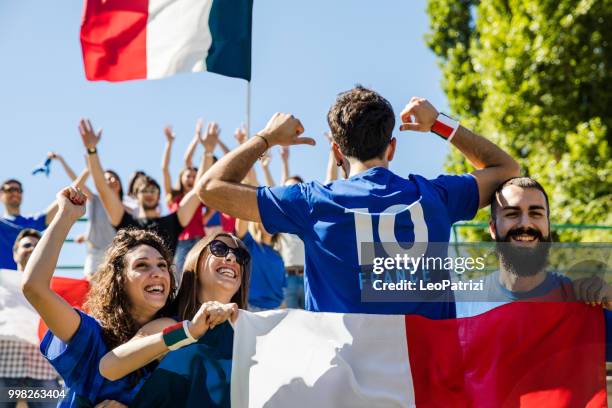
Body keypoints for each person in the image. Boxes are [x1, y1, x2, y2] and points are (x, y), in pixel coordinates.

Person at [197, 86, 520, 316]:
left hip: (343, 379)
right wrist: (440, 123)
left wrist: (266, 137)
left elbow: (210, 187)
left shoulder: (313, 202)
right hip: (425, 378)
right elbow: (506, 169)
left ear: (337, 152)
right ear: (391, 147)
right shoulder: (435, 196)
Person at [21, 186, 177, 407]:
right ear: (119, 280)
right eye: (142, 265)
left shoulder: (179, 339)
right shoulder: (91, 337)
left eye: (163, 265)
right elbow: (34, 287)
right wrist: (66, 216)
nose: (158, 273)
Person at [97, 232, 251, 407]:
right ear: (196, 260)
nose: (232, 257)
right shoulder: (172, 326)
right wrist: (189, 331)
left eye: (241, 256)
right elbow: (110, 366)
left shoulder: (251, 334)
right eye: (219, 249)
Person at [78, 119, 202, 274]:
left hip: (165, 289)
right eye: (145, 191)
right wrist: (91, 150)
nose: (149, 194)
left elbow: (198, 189)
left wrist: (208, 152)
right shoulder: (126, 221)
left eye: (153, 190)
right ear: (137, 195)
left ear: (159, 196)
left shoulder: (172, 222)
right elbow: (103, 188)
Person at [0, 229, 61, 408]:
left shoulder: (56, 289)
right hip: (4, 366)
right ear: (15, 253)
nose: (33, 248)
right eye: (27, 245)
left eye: (37, 246)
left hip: (44, 370)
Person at [47, 152, 125, 277]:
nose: (112, 180)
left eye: (114, 177)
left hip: (116, 253)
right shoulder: (95, 199)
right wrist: (62, 160)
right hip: (95, 253)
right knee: (91, 287)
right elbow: (76, 182)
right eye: (106, 179)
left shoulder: (127, 206)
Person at [161, 120, 217, 277]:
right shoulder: (172, 197)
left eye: (194, 176)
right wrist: (170, 143)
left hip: (199, 240)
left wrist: (204, 218)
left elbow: (208, 213)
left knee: (200, 277)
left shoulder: (198, 196)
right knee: (179, 277)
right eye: (188, 175)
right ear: (181, 177)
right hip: (180, 242)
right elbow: (165, 169)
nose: (191, 179)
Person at [0, 178, 58, 269]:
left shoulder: (32, 221)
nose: (15, 193)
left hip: (29, 280)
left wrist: (87, 171)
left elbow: (63, 200)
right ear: (1, 195)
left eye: (18, 190)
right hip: (3, 280)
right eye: (10, 190)